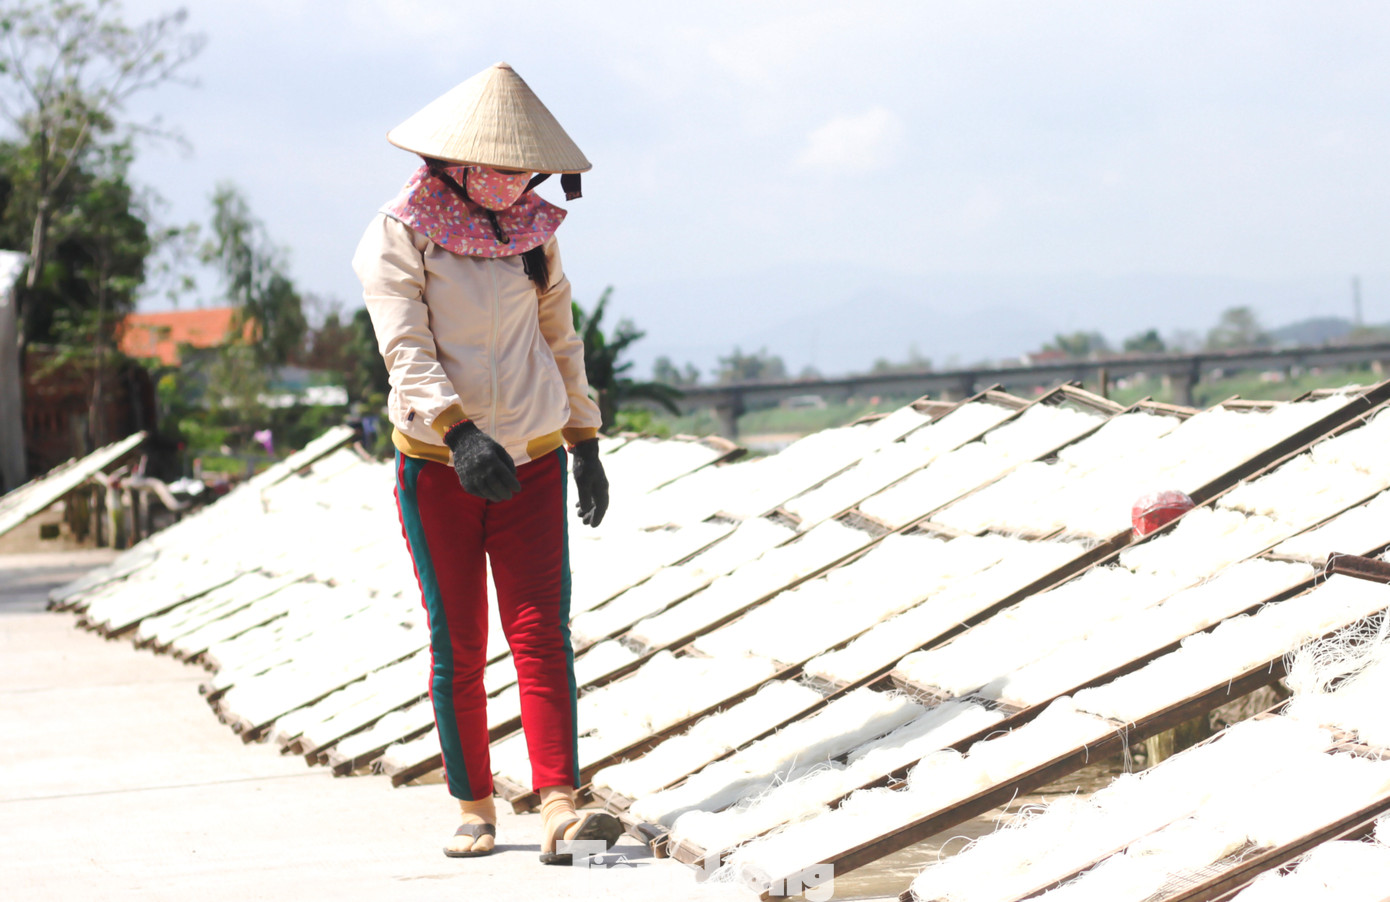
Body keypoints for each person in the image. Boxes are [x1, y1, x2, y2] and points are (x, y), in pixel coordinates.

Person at [352, 61, 619, 862]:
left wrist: (584, 439)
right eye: (497, 167)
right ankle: (474, 805)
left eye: (522, 169)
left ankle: (561, 804)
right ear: (455, 162)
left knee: (541, 633)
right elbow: (404, 345)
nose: (512, 181)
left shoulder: (534, 235)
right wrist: (458, 431)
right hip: (440, 469)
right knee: (459, 641)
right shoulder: (400, 231)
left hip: (532, 460)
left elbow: (560, 340)